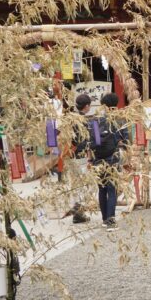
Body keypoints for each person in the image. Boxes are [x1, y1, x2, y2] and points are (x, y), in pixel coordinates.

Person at [81, 92, 129, 231]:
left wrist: (90, 159)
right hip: (112, 158)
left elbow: (92, 143)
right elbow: (125, 141)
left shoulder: (95, 120)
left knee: (102, 189)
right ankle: (111, 221)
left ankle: (104, 219)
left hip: (97, 159)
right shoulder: (119, 119)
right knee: (112, 189)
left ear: (103, 105)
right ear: (116, 104)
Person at [65, 93, 93, 224]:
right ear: (86, 106)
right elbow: (84, 140)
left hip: (70, 154)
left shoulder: (69, 118)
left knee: (75, 184)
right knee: (81, 184)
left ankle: (76, 210)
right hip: (80, 155)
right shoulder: (83, 120)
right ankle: (78, 212)